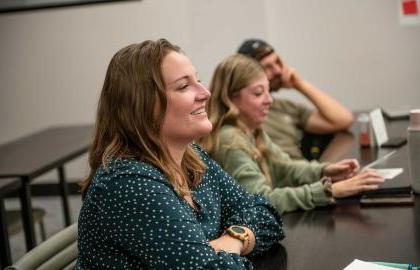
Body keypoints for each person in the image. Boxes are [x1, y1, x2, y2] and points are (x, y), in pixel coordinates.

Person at [76, 39, 284, 269]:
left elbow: (264, 213)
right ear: (142, 105)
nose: (205, 93)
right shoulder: (129, 182)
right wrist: (224, 249)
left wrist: (233, 239)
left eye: (199, 81)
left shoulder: (191, 157)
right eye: (184, 86)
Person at [200, 54, 384, 214]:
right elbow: (261, 200)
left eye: (267, 91)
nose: (269, 100)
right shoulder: (230, 140)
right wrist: (328, 191)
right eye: (258, 93)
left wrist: (324, 170)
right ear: (230, 98)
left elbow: (285, 167)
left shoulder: (252, 129)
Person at [237, 39, 354, 160]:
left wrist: (299, 84)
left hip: (307, 173)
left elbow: (343, 120)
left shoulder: (285, 106)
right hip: (287, 177)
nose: (278, 70)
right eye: (267, 67)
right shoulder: (245, 115)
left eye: (278, 62)